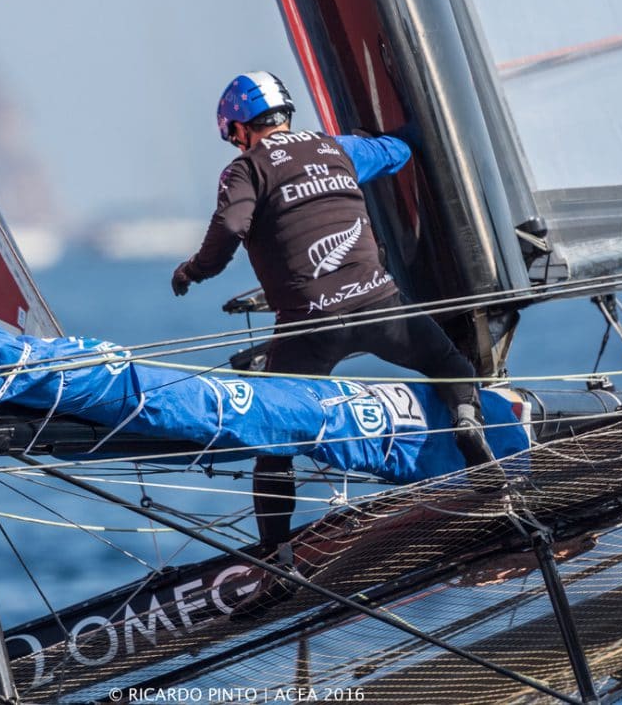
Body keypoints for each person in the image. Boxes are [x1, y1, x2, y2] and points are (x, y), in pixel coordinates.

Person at [171, 71, 494, 570]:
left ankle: (275, 556)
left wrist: (194, 270)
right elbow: (397, 152)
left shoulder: (246, 170)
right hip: (378, 303)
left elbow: (231, 227)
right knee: (446, 361)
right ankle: (468, 423)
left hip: (311, 326)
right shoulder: (335, 149)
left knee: (275, 441)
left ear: (239, 128)